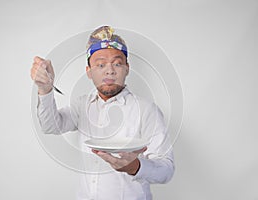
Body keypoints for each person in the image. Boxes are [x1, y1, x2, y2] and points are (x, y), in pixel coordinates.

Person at [30, 26, 174, 200]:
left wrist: (135, 167)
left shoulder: (147, 110)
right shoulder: (82, 105)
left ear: (127, 68)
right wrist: (45, 90)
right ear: (89, 72)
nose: (110, 70)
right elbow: (50, 126)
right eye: (100, 64)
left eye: (117, 63)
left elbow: (166, 170)